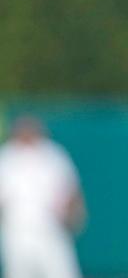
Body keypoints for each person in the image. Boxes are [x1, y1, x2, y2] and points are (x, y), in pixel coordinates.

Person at [0, 116, 86, 278]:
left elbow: (71, 192)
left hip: (51, 230)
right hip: (17, 234)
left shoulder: (53, 154)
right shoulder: (6, 157)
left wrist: (74, 215)